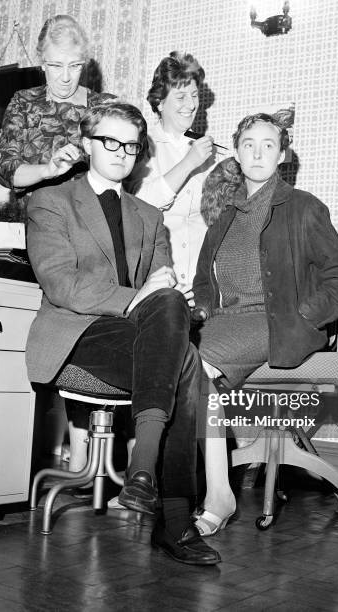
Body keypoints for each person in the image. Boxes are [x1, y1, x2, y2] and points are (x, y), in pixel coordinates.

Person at [26, 101, 221, 565]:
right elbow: (62, 284)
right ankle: (173, 521)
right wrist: (140, 297)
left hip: (138, 339)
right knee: (185, 362)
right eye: (110, 142)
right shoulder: (50, 202)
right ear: (88, 143)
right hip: (77, 336)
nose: (121, 153)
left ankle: (142, 476)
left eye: (131, 146)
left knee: (175, 319)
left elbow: (160, 288)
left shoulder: (149, 216)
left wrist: (169, 292)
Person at [191, 113, 338, 536]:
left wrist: (301, 316)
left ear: (282, 155)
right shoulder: (225, 215)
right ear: (237, 153)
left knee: (196, 365)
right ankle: (202, 489)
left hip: (273, 323)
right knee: (172, 357)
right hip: (226, 323)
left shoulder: (303, 207)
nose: (259, 152)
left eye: (269, 144)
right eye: (249, 144)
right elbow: (202, 282)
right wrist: (204, 311)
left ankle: (215, 495)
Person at [0, 15, 114, 476]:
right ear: (41, 63)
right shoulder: (24, 103)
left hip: (95, 225)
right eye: (55, 66)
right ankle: (71, 451)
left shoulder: (102, 106)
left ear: (84, 63)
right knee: (65, 325)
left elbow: (122, 165)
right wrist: (48, 168)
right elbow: (7, 170)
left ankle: (88, 454)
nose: (65, 77)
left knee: (95, 328)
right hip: (45, 222)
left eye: (74, 66)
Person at [126, 51, 224, 289]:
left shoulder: (212, 151)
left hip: (204, 283)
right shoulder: (141, 145)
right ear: (159, 102)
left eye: (194, 95)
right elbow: (138, 203)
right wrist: (188, 163)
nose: (191, 105)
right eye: (181, 97)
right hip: (159, 280)